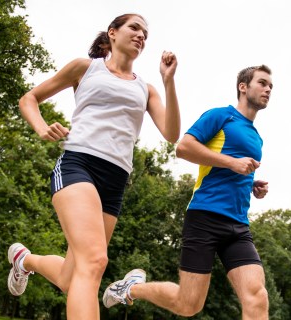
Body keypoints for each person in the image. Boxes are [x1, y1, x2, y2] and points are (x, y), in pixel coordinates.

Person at [6, 13, 180, 320]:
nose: (141, 35)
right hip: (79, 165)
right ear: (113, 33)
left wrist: (168, 82)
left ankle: (25, 260)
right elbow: (29, 99)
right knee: (95, 262)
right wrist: (41, 127)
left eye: (145, 33)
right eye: (134, 28)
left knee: (69, 278)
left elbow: (172, 133)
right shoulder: (85, 69)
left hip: (115, 181)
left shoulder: (147, 88)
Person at [103, 65, 273, 320]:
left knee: (257, 296)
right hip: (205, 217)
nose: (268, 89)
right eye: (262, 83)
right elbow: (183, 148)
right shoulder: (221, 116)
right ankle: (131, 289)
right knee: (188, 304)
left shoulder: (257, 137)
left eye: (271, 86)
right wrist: (231, 162)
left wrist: (251, 184)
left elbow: (231, 170)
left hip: (238, 226)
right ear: (243, 86)